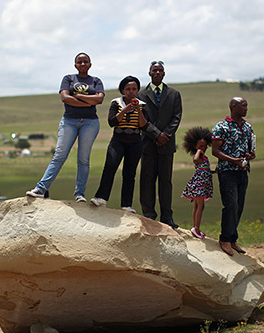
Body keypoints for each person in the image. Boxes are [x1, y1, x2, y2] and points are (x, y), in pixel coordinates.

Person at [26, 53, 105, 203]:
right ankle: (40, 189)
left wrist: (77, 96)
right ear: (75, 65)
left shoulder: (96, 80)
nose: (82, 64)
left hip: (90, 122)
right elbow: (65, 98)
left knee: (83, 160)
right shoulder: (68, 78)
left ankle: (79, 194)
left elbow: (99, 99)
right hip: (69, 121)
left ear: (90, 64)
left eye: (85, 62)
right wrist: (88, 101)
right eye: (79, 62)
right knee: (59, 156)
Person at [90, 76, 147, 211]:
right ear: (122, 90)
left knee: (129, 173)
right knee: (110, 167)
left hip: (135, 143)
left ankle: (126, 205)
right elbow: (112, 122)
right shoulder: (116, 103)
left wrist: (138, 110)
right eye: (128, 89)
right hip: (118, 141)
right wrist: (125, 110)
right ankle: (101, 198)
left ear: (138, 90)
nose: (131, 91)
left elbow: (144, 126)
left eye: (134, 89)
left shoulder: (142, 105)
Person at [138, 61, 183, 228]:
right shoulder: (141, 95)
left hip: (167, 145)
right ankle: (149, 215)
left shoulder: (174, 94)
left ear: (164, 74)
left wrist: (165, 135)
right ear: (149, 73)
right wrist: (157, 134)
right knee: (147, 180)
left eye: (160, 70)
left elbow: (177, 116)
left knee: (166, 181)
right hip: (148, 143)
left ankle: (167, 217)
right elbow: (141, 119)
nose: (157, 72)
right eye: (154, 70)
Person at [211, 97, 256, 256]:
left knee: (239, 206)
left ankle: (233, 239)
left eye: (246, 105)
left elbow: (251, 148)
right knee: (231, 205)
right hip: (227, 170)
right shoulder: (221, 127)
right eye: (243, 105)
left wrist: (250, 155)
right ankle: (224, 239)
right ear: (233, 107)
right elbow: (215, 151)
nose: (246, 108)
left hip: (242, 171)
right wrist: (234, 160)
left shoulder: (247, 126)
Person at [181, 126, 214, 239]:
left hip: (203, 185)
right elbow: (195, 160)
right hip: (199, 185)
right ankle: (196, 228)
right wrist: (198, 151)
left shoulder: (205, 158)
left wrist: (213, 172)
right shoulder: (198, 157)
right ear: (194, 146)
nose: (203, 148)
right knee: (201, 206)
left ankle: (195, 227)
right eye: (200, 146)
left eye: (205, 146)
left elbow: (204, 170)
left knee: (197, 206)